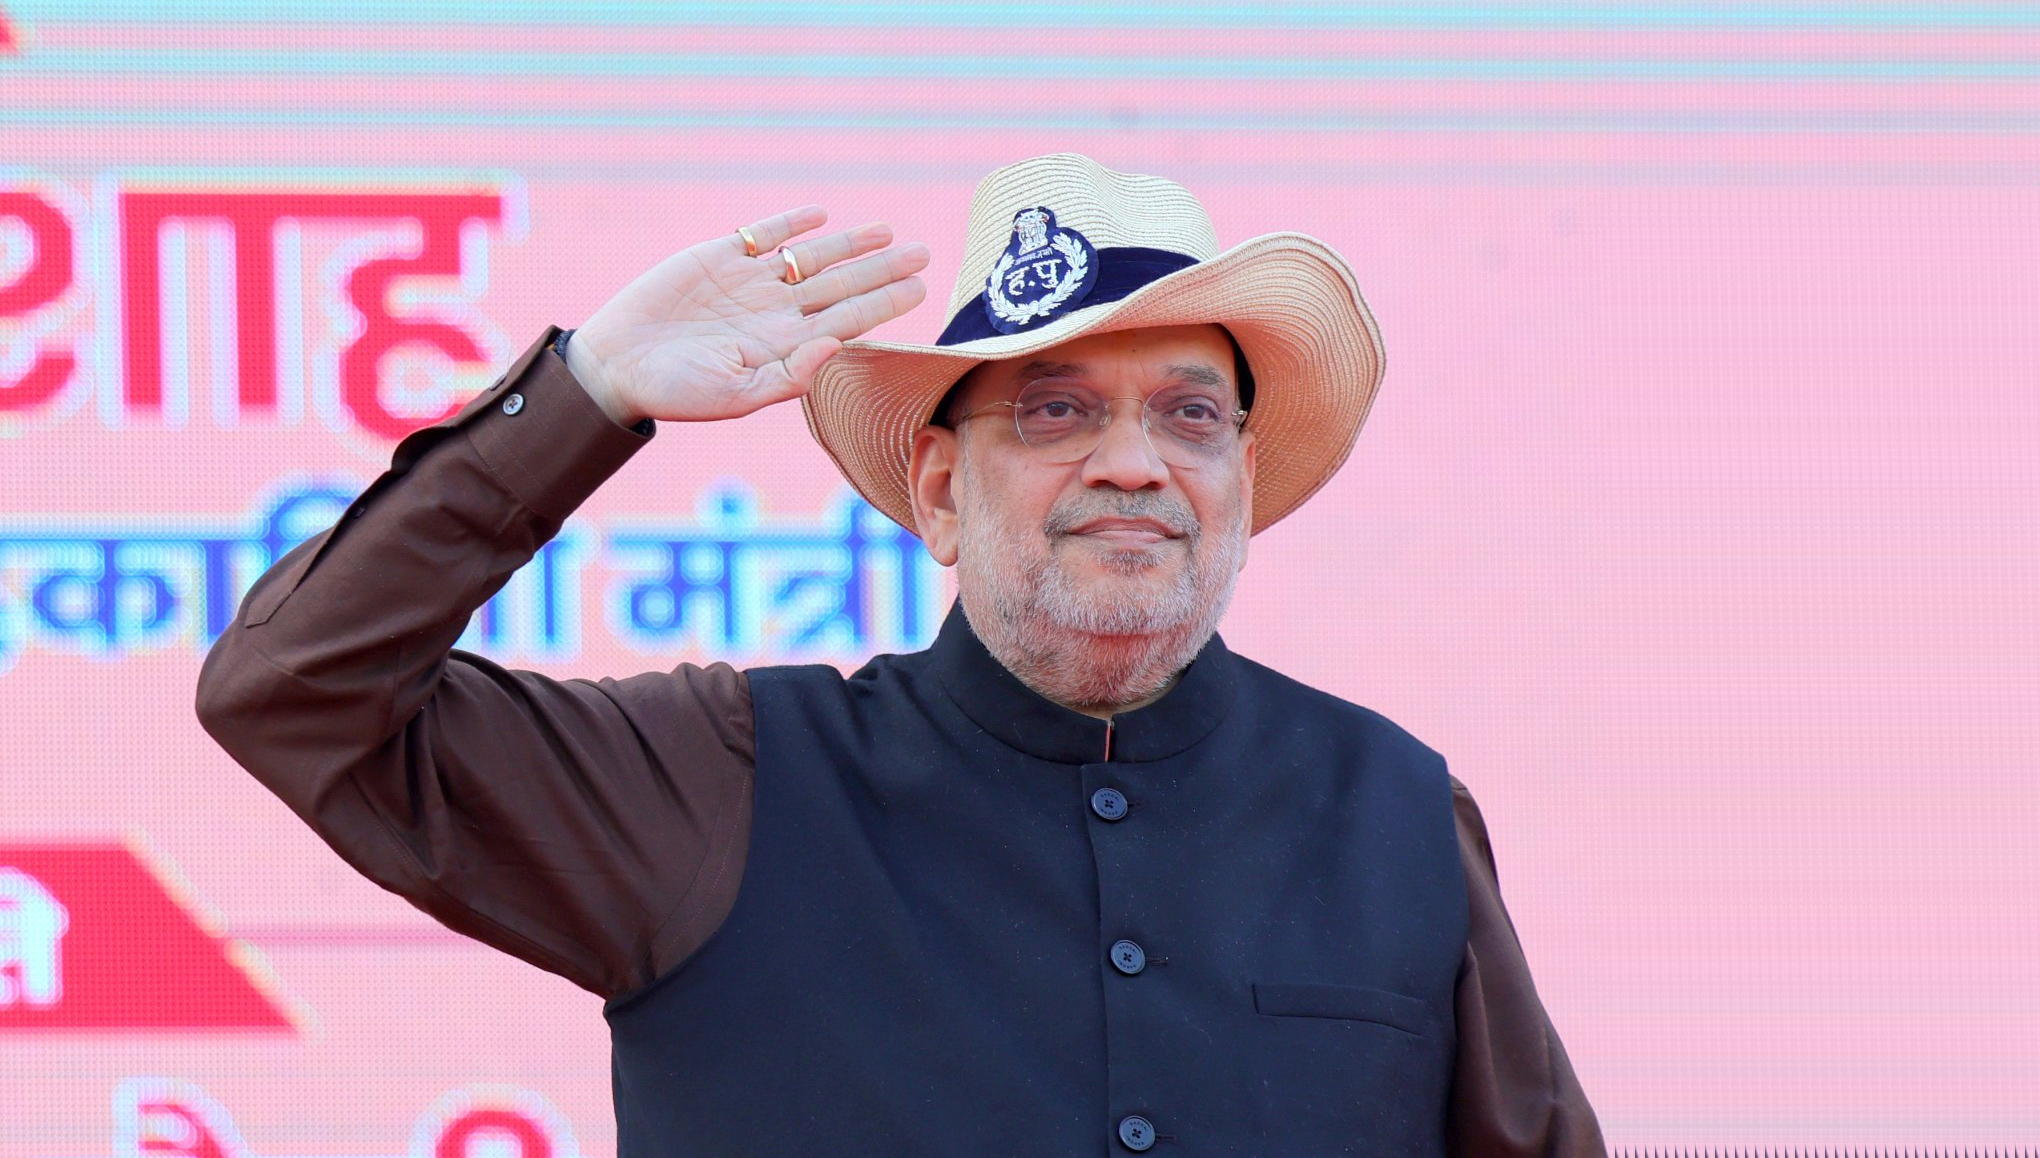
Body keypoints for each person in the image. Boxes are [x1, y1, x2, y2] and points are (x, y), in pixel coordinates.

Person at [197, 153, 1606, 1156]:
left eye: (1189, 415)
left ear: (1239, 475)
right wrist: (583, 394)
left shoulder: (1394, 810)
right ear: (938, 488)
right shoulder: (730, 780)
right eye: (1055, 410)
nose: (1134, 463)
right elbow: (294, 690)